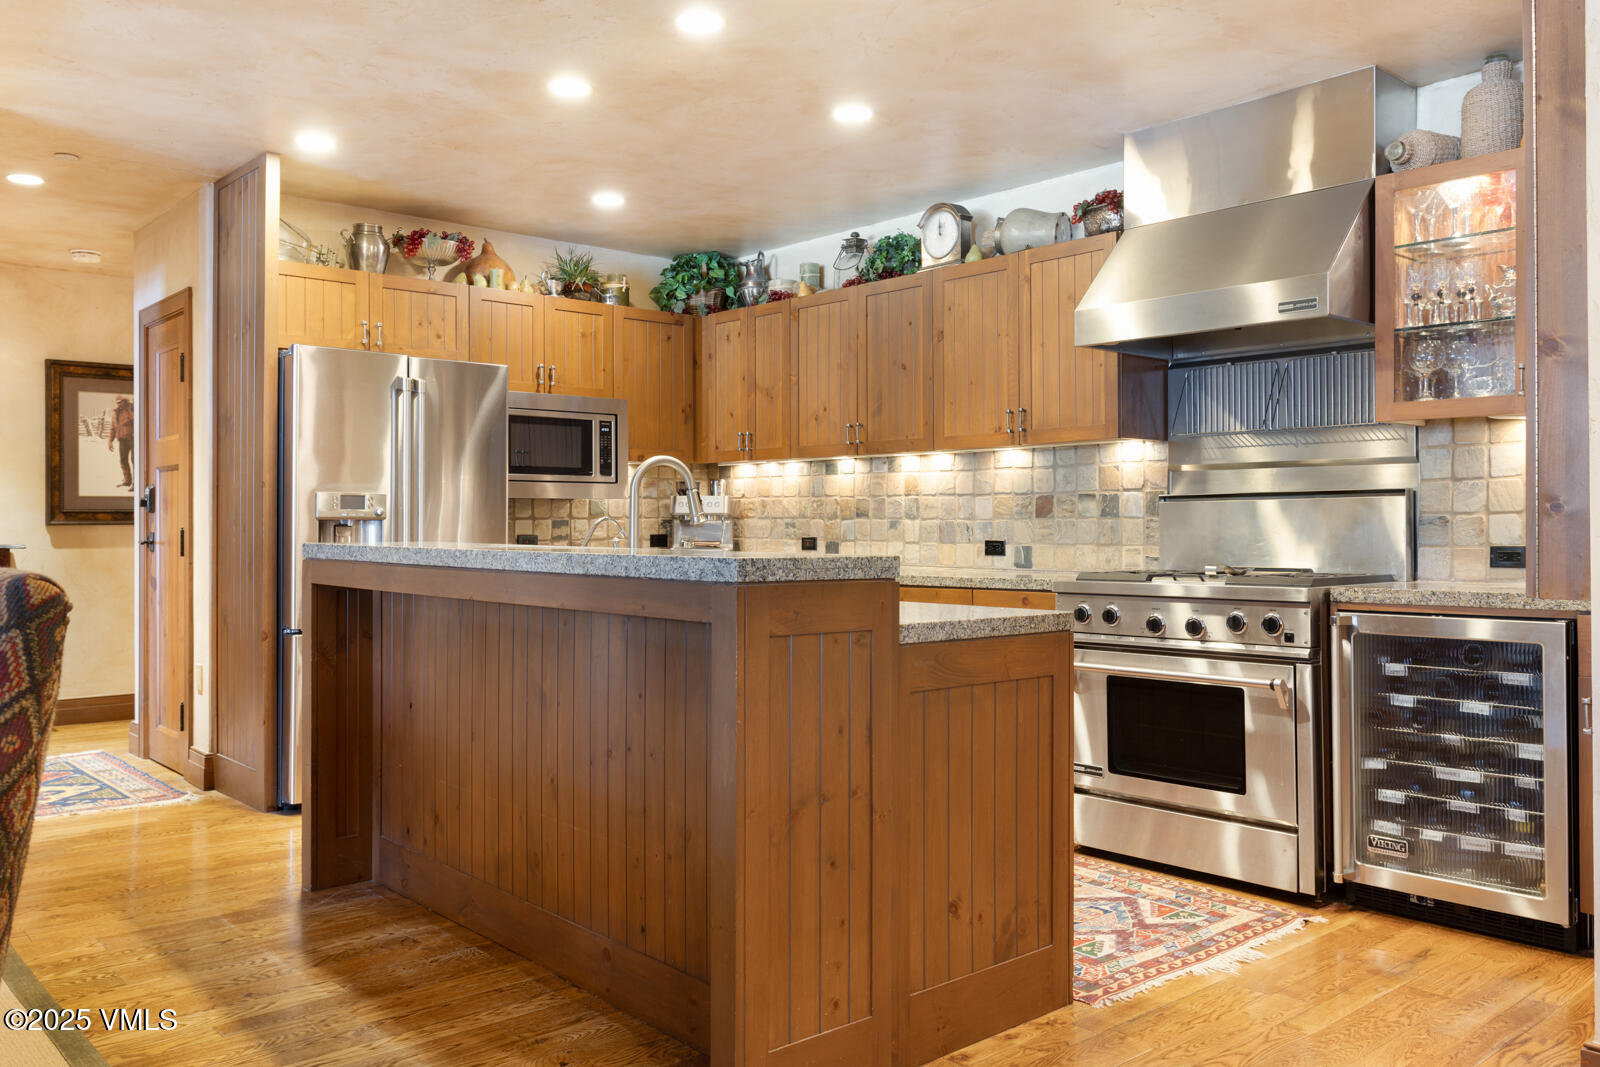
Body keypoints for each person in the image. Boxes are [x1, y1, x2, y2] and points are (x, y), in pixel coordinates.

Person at [109, 396, 134, 489]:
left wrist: (130, 411)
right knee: (123, 460)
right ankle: (127, 480)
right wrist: (110, 441)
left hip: (132, 438)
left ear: (125, 401)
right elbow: (113, 427)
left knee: (134, 460)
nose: (118, 404)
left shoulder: (132, 408)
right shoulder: (115, 412)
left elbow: (137, 421)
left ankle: (136, 483)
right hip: (122, 440)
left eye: (120, 402)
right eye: (117, 402)